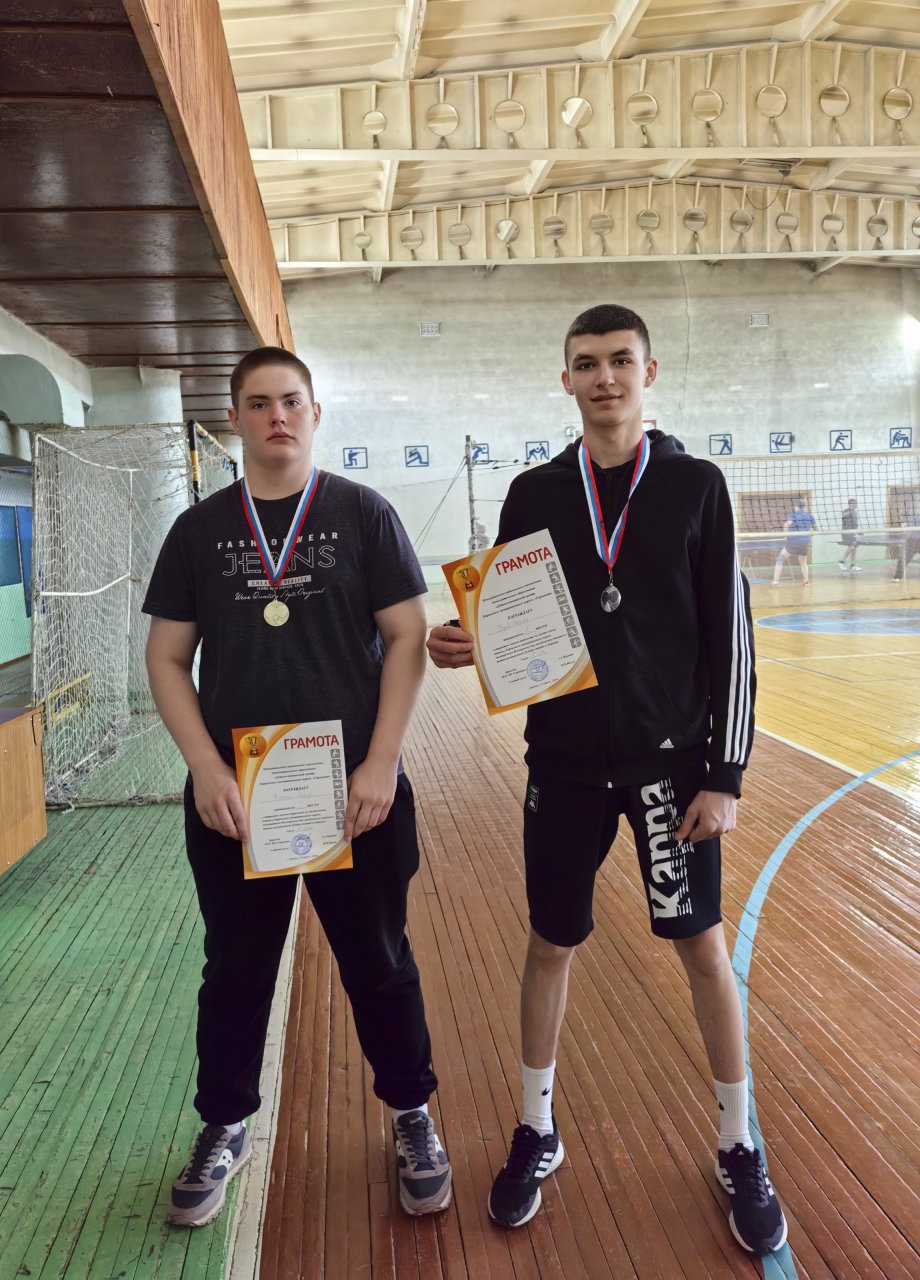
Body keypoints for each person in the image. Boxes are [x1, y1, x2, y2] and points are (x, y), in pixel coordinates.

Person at [427, 304, 787, 1256]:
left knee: (701, 946)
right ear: (567, 380)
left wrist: (725, 775)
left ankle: (738, 1142)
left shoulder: (698, 486)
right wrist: (467, 645)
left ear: (648, 371)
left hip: (673, 770)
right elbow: (515, 626)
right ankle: (536, 1128)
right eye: (586, 364)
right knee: (550, 942)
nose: (604, 379)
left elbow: (732, 642)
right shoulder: (535, 493)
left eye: (620, 360)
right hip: (567, 765)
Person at [143, 347, 451, 1227]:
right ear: (235, 419)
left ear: (315, 414)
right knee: (236, 970)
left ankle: (411, 1113)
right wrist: (204, 765)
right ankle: (223, 1124)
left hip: (356, 792)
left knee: (380, 962)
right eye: (258, 403)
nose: (276, 416)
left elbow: (407, 637)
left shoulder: (362, 513)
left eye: (290, 401)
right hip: (237, 798)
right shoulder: (197, 531)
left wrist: (382, 760)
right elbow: (165, 658)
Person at [771, 498, 818, 586]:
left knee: (780, 559)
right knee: (803, 562)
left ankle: (775, 580)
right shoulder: (810, 516)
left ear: (796, 507)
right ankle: (806, 581)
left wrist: (786, 536)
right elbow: (815, 529)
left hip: (793, 542)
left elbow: (786, 525)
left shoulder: (793, 515)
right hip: (804, 542)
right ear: (804, 507)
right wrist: (808, 537)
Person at [838, 498, 860, 572]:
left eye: (855, 503)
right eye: (853, 503)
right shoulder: (846, 511)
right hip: (846, 533)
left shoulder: (855, 512)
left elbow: (854, 524)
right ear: (849, 504)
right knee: (851, 548)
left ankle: (853, 565)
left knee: (854, 549)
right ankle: (841, 561)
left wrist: (858, 531)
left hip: (853, 533)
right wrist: (850, 509)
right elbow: (843, 515)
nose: (855, 504)